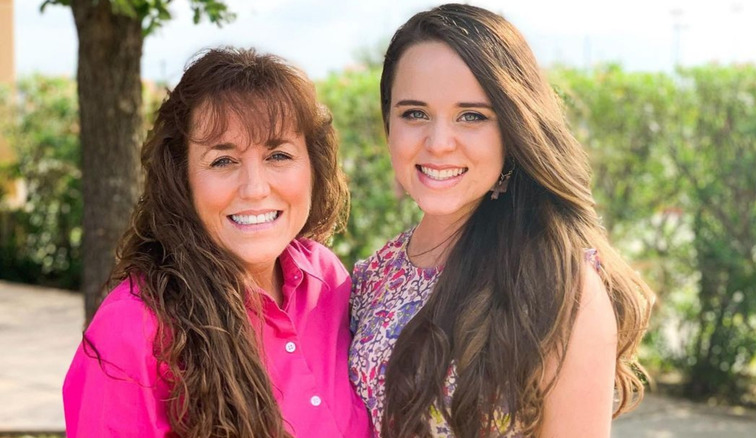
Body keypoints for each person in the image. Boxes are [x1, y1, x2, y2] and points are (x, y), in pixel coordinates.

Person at [348, 4, 654, 437]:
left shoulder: (559, 288)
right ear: (388, 126)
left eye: (471, 116)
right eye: (414, 113)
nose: (438, 143)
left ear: (514, 128)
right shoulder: (372, 276)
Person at [63, 47, 371, 438]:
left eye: (278, 155)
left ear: (313, 167)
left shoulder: (326, 279)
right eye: (223, 161)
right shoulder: (133, 328)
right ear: (182, 180)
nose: (256, 189)